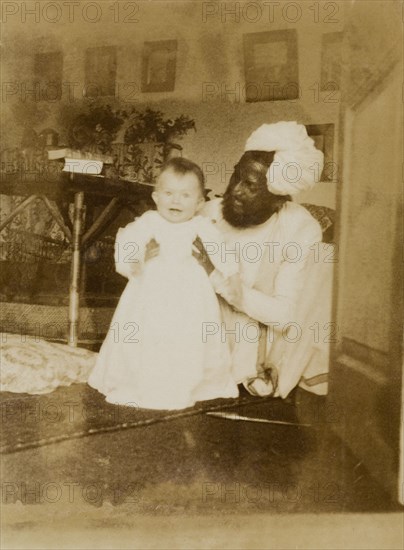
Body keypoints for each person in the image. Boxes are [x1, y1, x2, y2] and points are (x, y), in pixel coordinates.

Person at [88, 157, 240, 410]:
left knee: (188, 338)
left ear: (200, 202)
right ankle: (140, 380)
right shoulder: (149, 221)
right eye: (169, 193)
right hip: (150, 293)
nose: (176, 201)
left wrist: (232, 276)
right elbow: (127, 244)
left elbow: (221, 250)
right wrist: (137, 259)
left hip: (190, 296)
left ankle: (191, 382)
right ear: (156, 197)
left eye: (185, 195)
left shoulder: (201, 226)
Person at [200, 121, 332, 398]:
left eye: (250, 186)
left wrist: (218, 278)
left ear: (278, 199)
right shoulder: (207, 213)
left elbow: (285, 316)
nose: (235, 190)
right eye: (236, 176)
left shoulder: (298, 227)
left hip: (258, 342)